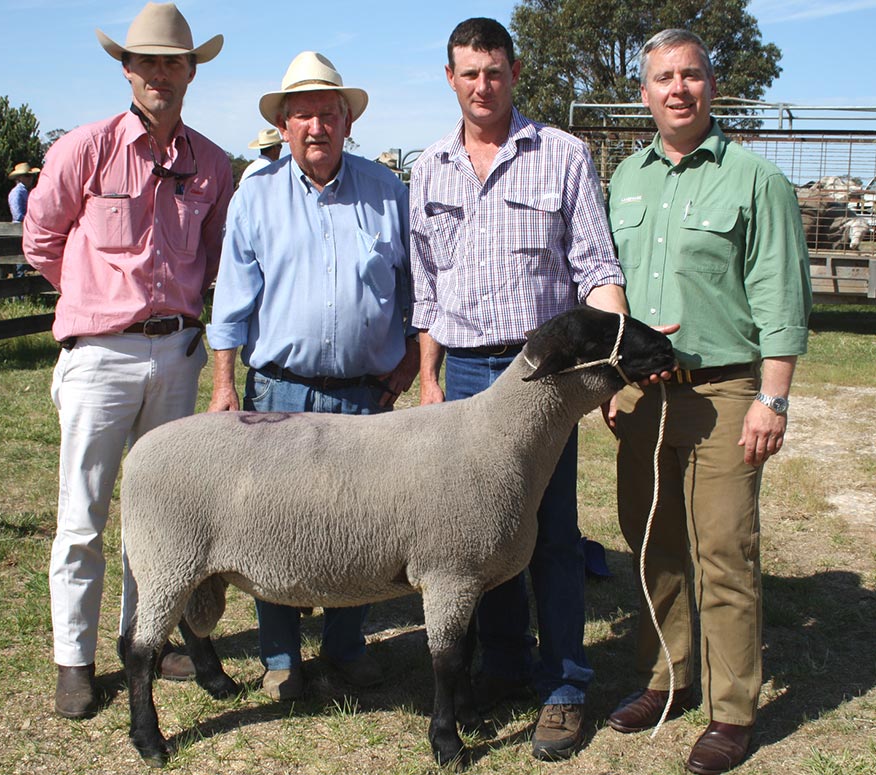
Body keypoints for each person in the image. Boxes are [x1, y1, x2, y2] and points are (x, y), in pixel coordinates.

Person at [409, 17, 629, 762]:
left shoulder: (562, 154)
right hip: (467, 371)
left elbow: (597, 268)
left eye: (494, 71)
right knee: (479, 537)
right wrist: (429, 376)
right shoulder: (429, 166)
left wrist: (613, 369)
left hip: (545, 379)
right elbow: (426, 288)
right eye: (468, 72)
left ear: (515, 70)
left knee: (553, 533)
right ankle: (504, 664)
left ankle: (564, 685)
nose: (482, 85)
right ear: (450, 77)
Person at [605, 29, 811, 775]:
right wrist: (609, 374)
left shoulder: (755, 180)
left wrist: (773, 399)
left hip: (725, 391)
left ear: (711, 86)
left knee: (723, 548)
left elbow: (781, 296)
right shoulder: (626, 177)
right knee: (651, 537)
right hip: (647, 395)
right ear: (645, 92)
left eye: (691, 74)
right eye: (663, 77)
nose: (678, 88)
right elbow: (608, 290)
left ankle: (732, 708)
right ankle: (667, 676)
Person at [22, 1, 233, 721]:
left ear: (191, 72)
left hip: (176, 352)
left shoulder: (210, 163)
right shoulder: (83, 148)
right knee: (82, 512)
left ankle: (142, 638)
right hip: (100, 353)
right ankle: (73, 658)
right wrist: (91, 300)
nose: (161, 74)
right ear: (126, 69)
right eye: (148, 62)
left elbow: (216, 253)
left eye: (173, 62)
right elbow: (41, 239)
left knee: (161, 513)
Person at [206, 50, 419, 702]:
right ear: (286, 124)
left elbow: (419, 298)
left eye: (329, 113)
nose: (317, 126)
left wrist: (405, 373)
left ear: (347, 121)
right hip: (278, 388)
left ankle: (346, 649)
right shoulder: (256, 196)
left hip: (363, 393)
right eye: (304, 114)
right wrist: (222, 384)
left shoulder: (390, 194)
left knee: (359, 528)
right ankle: (279, 657)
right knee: (273, 524)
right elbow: (232, 302)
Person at [7, 162, 40, 277]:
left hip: (25, 229)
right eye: (27, 175)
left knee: (24, 260)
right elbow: (18, 215)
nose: (30, 178)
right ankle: (20, 292)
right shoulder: (17, 192)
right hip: (19, 230)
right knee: (21, 261)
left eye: (31, 175)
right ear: (19, 178)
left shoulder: (25, 192)